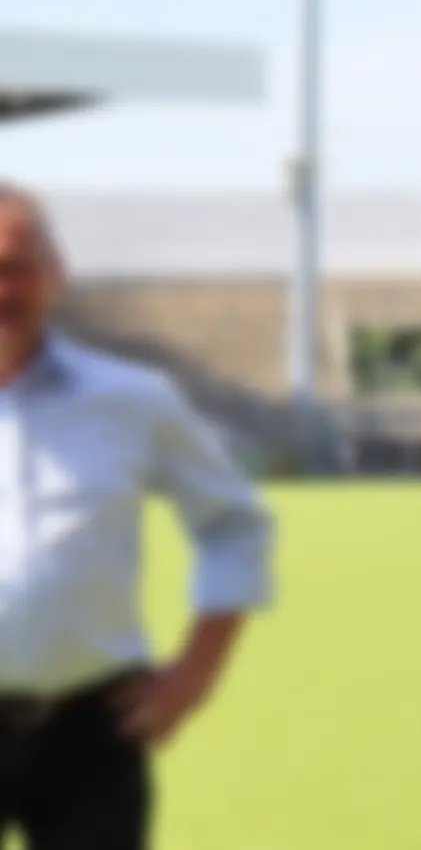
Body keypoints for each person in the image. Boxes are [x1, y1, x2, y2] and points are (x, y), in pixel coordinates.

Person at [0, 184, 274, 850]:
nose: (3, 290)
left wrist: (194, 675)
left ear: (53, 275)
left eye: (17, 268)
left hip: (89, 734)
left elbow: (233, 522)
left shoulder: (129, 401)